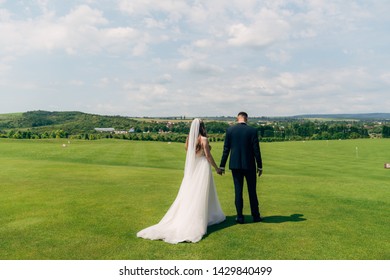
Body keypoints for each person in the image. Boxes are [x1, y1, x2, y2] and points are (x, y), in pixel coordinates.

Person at [137, 118, 225, 244]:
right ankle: (200, 219)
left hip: (194, 168)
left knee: (193, 193)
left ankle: (202, 216)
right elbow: (208, 155)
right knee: (202, 193)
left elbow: (189, 153)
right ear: (202, 127)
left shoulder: (189, 139)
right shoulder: (204, 139)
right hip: (202, 168)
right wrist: (217, 168)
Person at [219, 112, 263, 224]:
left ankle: (240, 217)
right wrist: (260, 166)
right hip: (250, 165)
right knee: (252, 191)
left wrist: (222, 165)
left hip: (235, 165)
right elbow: (256, 150)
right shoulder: (253, 131)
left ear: (237, 118)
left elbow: (226, 149)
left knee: (238, 191)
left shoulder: (230, 130)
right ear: (246, 119)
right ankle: (256, 216)